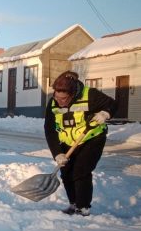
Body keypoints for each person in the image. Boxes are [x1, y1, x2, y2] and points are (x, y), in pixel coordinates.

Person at [44, 71, 116, 216]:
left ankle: (83, 208)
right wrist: (57, 153)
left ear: (72, 94)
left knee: (81, 171)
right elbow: (50, 129)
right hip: (68, 141)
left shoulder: (90, 95)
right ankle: (73, 204)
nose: (60, 101)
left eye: (64, 99)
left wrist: (105, 114)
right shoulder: (53, 103)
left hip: (92, 138)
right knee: (66, 172)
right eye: (57, 97)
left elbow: (113, 104)